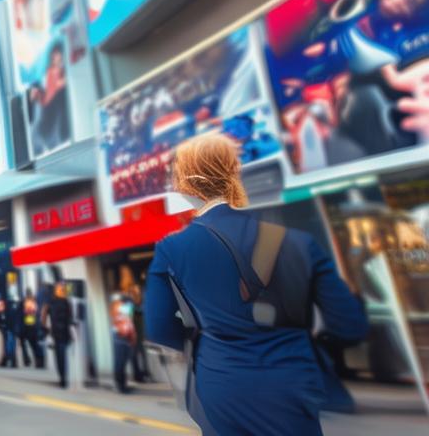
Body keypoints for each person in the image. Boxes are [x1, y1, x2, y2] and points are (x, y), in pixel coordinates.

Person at [145, 134, 368, 435]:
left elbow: (160, 329)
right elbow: (349, 325)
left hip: (222, 385)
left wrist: (206, 338)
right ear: (234, 174)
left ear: (185, 184)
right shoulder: (300, 243)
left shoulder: (172, 249)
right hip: (292, 381)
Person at [44, 283, 73, 388]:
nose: (61, 291)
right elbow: (44, 317)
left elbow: (70, 319)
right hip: (56, 333)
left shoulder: (65, 302)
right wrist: (46, 330)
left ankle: (63, 378)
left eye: (62, 289)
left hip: (63, 333)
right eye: (60, 289)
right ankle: (62, 378)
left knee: (62, 356)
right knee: (60, 356)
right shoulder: (53, 302)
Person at [111, 293, 136, 394]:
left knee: (122, 362)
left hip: (124, 337)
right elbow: (125, 323)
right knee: (120, 362)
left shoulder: (122, 308)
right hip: (121, 337)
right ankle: (120, 386)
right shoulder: (119, 307)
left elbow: (129, 323)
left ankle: (122, 384)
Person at [20, 288, 44, 369]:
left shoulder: (27, 302)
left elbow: (25, 313)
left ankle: (33, 360)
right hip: (32, 326)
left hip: (29, 326)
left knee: (33, 344)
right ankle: (38, 360)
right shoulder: (34, 301)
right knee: (34, 344)